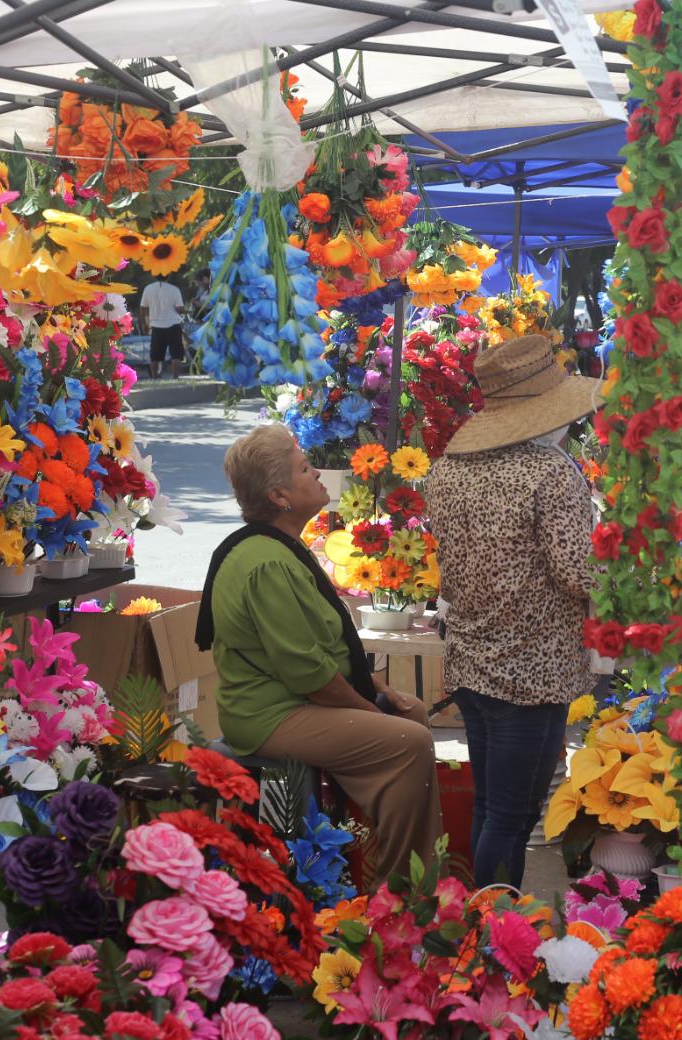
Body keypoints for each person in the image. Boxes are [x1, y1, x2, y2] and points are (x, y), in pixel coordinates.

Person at [198, 424, 441, 890]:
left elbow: (329, 650)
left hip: (295, 702)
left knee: (413, 713)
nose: (318, 474)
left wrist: (384, 692)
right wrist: (371, 709)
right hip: (271, 714)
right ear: (280, 496)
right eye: (305, 469)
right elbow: (308, 672)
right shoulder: (266, 561)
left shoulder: (279, 549)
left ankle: (400, 876)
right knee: (408, 742)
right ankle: (400, 896)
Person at [423, 335, 600, 888]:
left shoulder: (449, 469)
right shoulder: (551, 473)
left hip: (473, 659)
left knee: (491, 807)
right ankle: (493, 939)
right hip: (532, 669)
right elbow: (579, 574)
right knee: (512, 816)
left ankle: (480, 927)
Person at [140, 278, 186, 380]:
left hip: (156, 325)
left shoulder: (148, 289)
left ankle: (155, 377)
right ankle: (175, 377)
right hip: (173, 324)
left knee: (155, 355)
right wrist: (185, 310)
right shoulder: (174, 289)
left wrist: (144, 324)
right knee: (176, 354)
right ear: (168, 275)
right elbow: (179, 309)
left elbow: (143, 307)